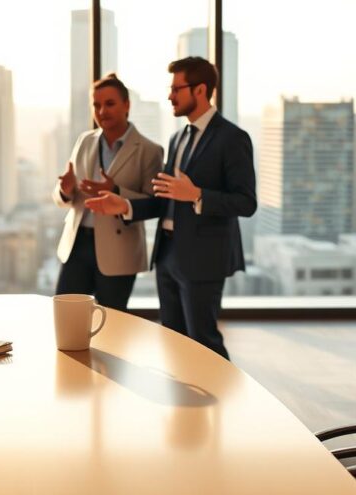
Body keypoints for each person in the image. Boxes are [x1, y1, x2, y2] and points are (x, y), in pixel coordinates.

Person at [85, 57, 256, 359]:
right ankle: (186, 404)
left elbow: (246, 202)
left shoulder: (232, 138)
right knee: (174, 341)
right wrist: (123, 205)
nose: (170, 96)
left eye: (177, 89)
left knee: (204, 341)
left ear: (200, 90)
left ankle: (224, 404)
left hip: (204, 258)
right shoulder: (177, 139)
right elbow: (164, 198)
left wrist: (197, 195)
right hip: (167, 256)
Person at [53, 73, 164, 311]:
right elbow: (65, 195)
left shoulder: (149, 150)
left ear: (127, 105)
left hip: (119, 250)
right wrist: (65, 191)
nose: (102, 111)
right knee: (66, 314)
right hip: (78, 244)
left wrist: (116, 191)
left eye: (110, 104)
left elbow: (156, 204)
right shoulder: (84, 140)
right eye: (97, 105)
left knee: (113, 324)